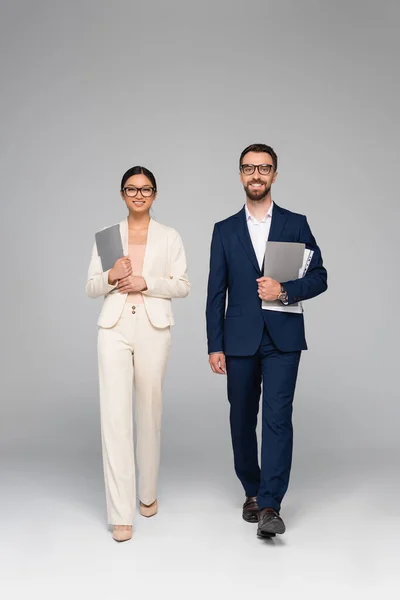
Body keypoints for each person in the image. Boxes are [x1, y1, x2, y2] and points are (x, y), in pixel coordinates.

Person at [206, 144, 327, 538]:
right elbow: (215, 293)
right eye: (248, 168)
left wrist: (285, 289)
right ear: (240, 174)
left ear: (275, 174)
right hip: (238, 337)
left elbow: (320, 276)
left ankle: (271, 504)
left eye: (264, 168)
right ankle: (252, 490)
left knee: (277, 419)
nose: (256, 174)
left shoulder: (295, 223)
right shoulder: (224, 230)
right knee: (241, 418)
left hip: (283, 337)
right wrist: (214, 344)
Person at [86, 166, 190, 542]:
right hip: (113, 328)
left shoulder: (169, 236)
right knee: (114, 417)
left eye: (145, 189)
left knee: (149, 412)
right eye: (131, 189)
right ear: (122, 194)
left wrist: (147, 281)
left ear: (155, 194)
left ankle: (147, 493)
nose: (139, 195)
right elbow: (91, 287)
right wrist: (112, 275)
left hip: (153, 327)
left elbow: (183, 286)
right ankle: (119, 512)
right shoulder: (108, 236)